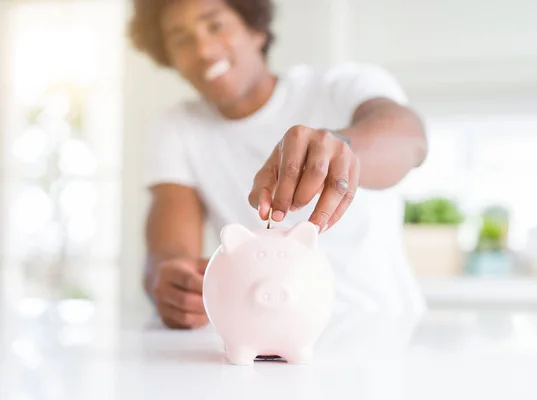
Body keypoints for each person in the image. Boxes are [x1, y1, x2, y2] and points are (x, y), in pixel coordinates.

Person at [129, 0, 428, 329]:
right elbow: (170, 251)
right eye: (181, 39)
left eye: (215, 26)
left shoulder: (341, 85)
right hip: (263, 336)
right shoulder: (177, 128)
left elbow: (410, 141)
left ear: (255, 29)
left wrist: (341, 149)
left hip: (380, 329)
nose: (203, 49)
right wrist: (171, 281)